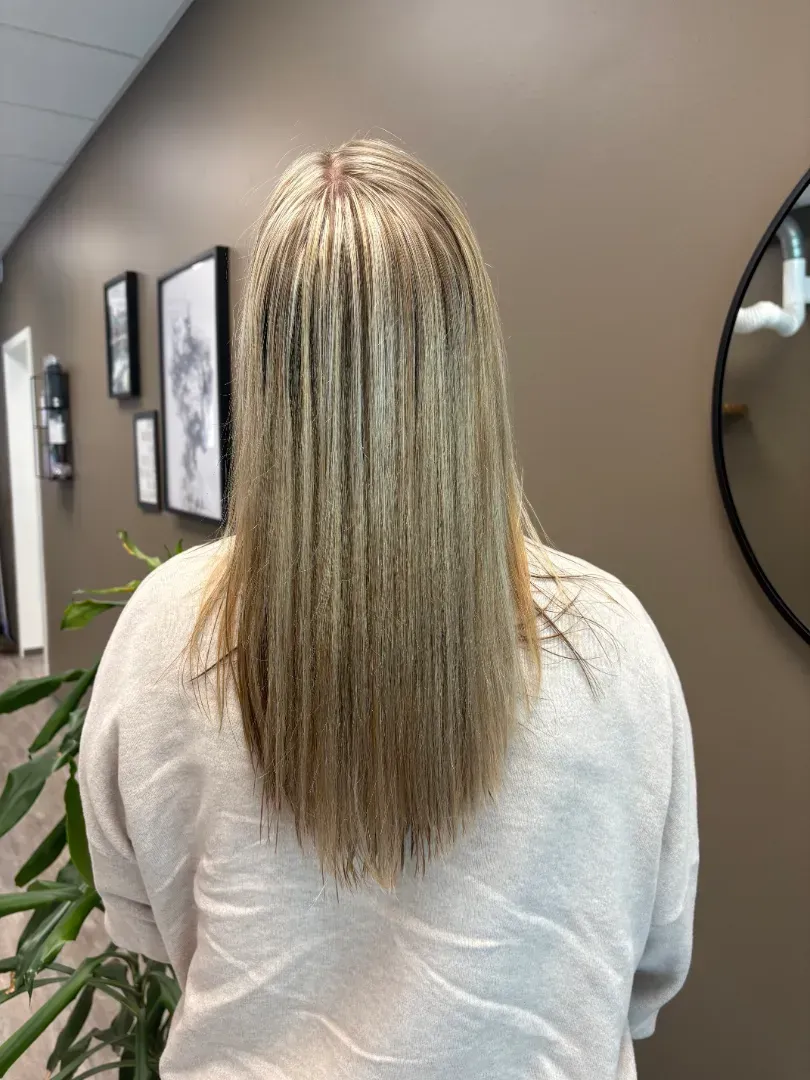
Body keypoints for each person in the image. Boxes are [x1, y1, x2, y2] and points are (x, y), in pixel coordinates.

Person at [80, 139, 698, 1080]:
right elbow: (650, 966)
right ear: (472, 361)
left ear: (264, 370)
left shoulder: (168, 629)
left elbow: (146, 923)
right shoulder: (614, 647)